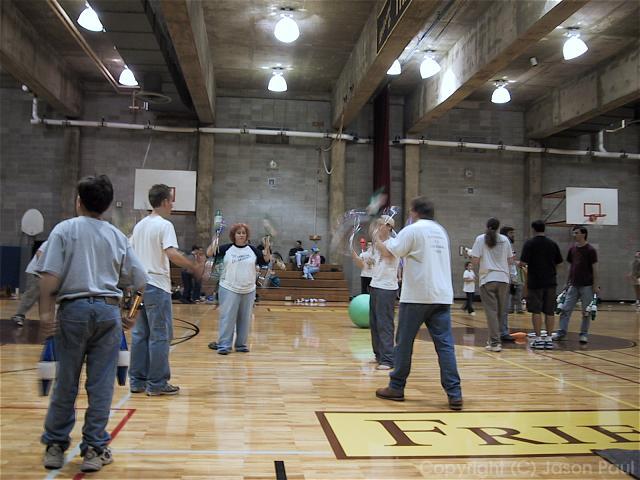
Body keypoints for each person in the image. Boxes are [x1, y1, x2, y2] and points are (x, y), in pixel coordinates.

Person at [37, 175, 148, 473]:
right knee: (100, 386)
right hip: (108, 313)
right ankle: (95, 449)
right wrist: (133, 313)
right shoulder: (116, 236)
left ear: (79, 201)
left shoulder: (64, 230)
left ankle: (56, 445)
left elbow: (48, 276)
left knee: (66, 381)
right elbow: (141, 281)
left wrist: (46, 315)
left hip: (73, 311)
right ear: (108, 205)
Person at [374, 197, 463, 410]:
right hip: (442, 296)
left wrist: (379, 237)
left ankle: (396, 387)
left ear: (414, 212)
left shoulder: (412, 230)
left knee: (404, 344)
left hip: (417, 296)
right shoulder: (441, 231)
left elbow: (389, 252)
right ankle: (455, 394)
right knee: (445, 346)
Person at [129, 184, 203, 396]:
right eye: (171, 200)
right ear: (163, 202)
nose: (173, 204)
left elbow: (129, 252)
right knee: (160, 336)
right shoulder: (164, 225)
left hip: (139, 286)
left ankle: (137, 381)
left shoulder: (140, 226)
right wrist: (192, 266)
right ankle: (157, 383)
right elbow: (171, 253)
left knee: (140, 334)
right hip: (156, 286)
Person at [206, 223, 270, 354]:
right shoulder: (226, 249)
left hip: (248, 290)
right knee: (227, 318)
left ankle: (241, 345)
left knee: (245, 319)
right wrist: (215, 238)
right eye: (238, 233)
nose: (241, 235)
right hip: (228, 288)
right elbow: (209, 253)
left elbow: (266, 260)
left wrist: (267, 246)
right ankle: (224, 346)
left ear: (247, 235)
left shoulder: (253, 250)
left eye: (243, 233)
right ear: (233, 235)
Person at [351, 216, 399, 370]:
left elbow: (387, 254)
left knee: (385, 324)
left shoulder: (394, 243)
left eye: (380, 225)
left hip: (387, 288)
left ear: (389, 227)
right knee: (375, 323)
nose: (377, 227)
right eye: (377, 224)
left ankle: (387, 360)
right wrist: (352, 252)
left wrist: (376, 239)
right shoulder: (374, 248)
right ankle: (378, 355)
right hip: (375, 286)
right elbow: (364, 265)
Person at [471, 218, 514, 352]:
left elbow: (475, 260)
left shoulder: (480, 239)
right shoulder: (505, 240)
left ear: (487, 226)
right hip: (503, 279)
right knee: (500, 312)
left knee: (491, 312)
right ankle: (494, 340)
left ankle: (495, 342)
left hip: (488, 278)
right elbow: (510, 260)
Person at [519, 220, 563, 349]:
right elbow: (560, 263)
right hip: (550, 282)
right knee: (550, 311)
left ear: (533, 229)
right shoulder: (553, 244)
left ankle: (538, 338)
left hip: (535, 282)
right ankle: (549, 339)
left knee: (536, 311)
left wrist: (521, 265)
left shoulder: (529, 244)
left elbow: (523, 263)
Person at [553, 226, 599, 344]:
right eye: (574, 233)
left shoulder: (590, 250)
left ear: (583, 234)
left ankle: (583, 334)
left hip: (587, 285)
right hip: (573, 285)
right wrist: (567, 282)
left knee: (586, 311)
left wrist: (595, 285)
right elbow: (570, 267)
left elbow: (594, 268)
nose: (574, 235)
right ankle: (561, 332)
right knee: (565, 309)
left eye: (577, 233)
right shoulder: (572, 249)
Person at [11, 241, 48, 326]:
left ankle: (45, 319)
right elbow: (39, 253)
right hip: (36, 273)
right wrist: (43, 269)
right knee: (31, 294)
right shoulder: (49, 242)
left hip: (47, 275)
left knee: (45, 298)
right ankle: (19, 315)